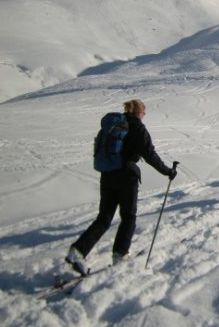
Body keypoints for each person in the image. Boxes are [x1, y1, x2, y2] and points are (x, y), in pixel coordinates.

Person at [66, 99, 177, 273]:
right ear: (139, 112)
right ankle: (120, 253)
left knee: (104, 217)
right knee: (128, 216)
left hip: (108, 174)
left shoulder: (114, 125)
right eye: (144, 112)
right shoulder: (138, 128)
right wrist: (168, 172)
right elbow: (149, 154)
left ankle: (78, 251)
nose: (144, 115)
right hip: (127, 176)